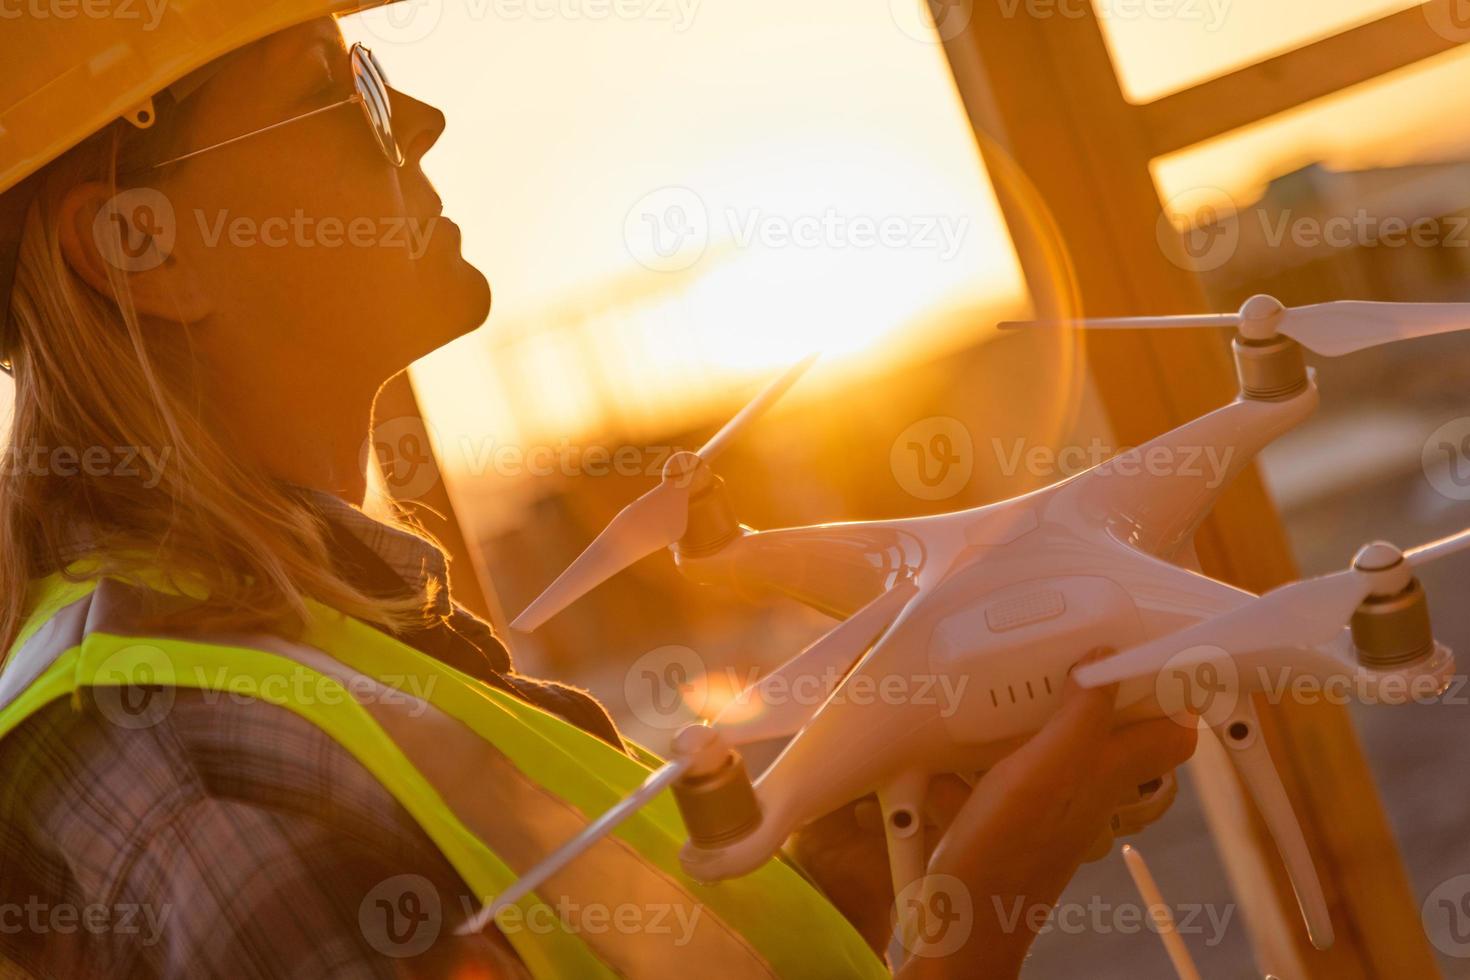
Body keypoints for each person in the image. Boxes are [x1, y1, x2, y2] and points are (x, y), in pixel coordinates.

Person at [0, 6, 1197, 977]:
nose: (415, 116)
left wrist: (836, 885)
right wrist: (975, 924)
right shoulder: (185, 760)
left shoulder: (312, 656)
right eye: (335, 89)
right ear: (139, 249)